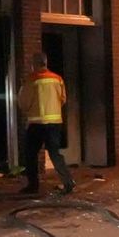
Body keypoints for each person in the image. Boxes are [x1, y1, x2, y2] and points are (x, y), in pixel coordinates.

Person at [17, 52, 75, 195]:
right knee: (55, 153)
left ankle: (33, 185)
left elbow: (23, 103)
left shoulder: (31, 80)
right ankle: (68, 182)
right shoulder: (57, 78)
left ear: (34, 64)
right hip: (55, 123)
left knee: (30, 154)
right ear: (46, 62)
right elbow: (63, 99)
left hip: (37, 123)